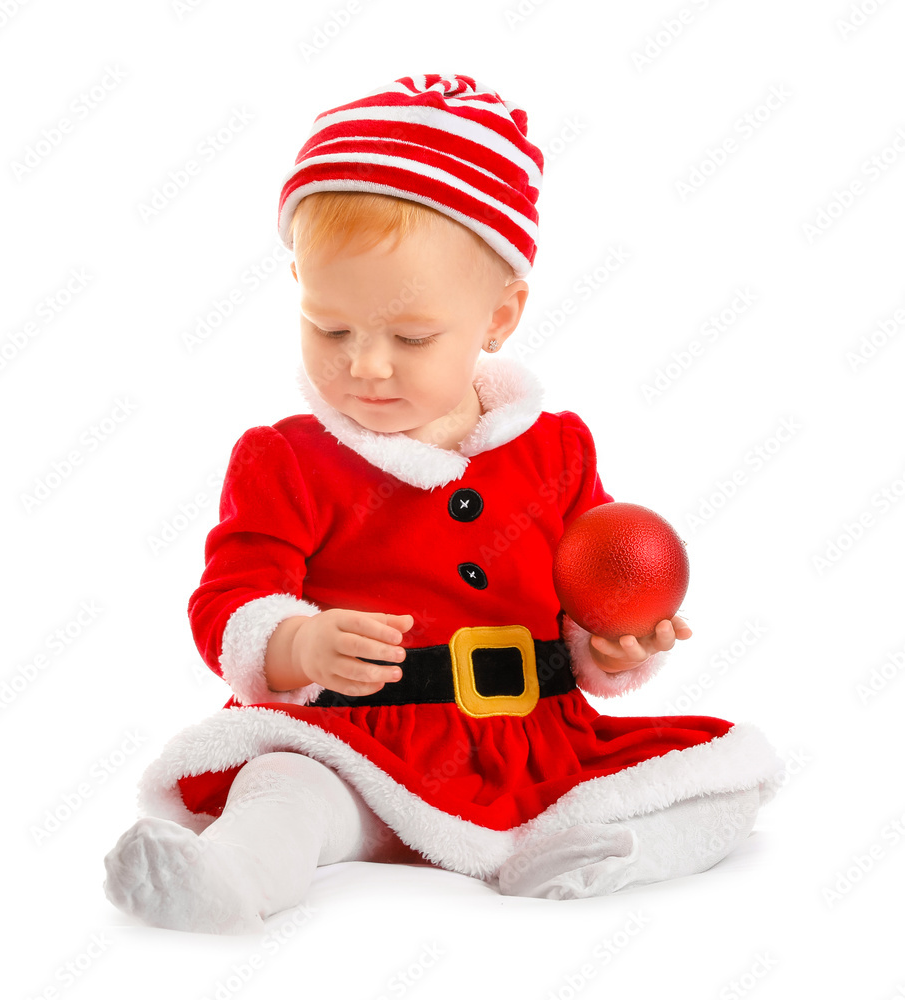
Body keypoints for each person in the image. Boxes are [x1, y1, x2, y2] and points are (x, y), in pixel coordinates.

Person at [103, 73, 782, 935]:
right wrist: (296, 642)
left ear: (499, 317)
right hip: (362, 746)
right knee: (285, 789)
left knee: (730, 775)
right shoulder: (290, 458)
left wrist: (613, 640)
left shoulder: (557, 448)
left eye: (412, 337)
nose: (367, 366)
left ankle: (606, 858)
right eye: (331, 329)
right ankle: (230, 882)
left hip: (533, 750)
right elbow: (227, 600)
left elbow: (587, 586)